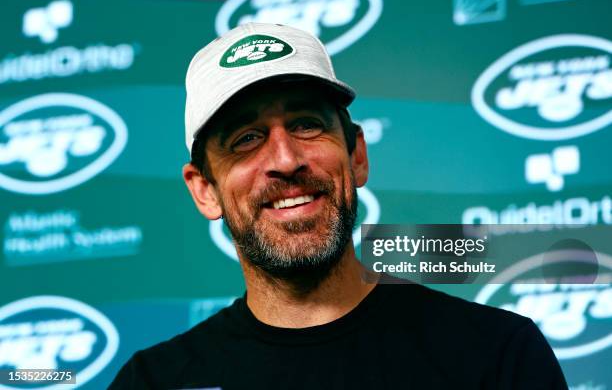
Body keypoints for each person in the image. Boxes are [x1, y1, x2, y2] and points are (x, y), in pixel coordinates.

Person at [110, 23, 567, 389]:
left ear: (357, 156)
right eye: (245, 139)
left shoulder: (495, 353)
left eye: (307, 124)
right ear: (204, 190)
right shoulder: (153, 381)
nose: (286, 160)